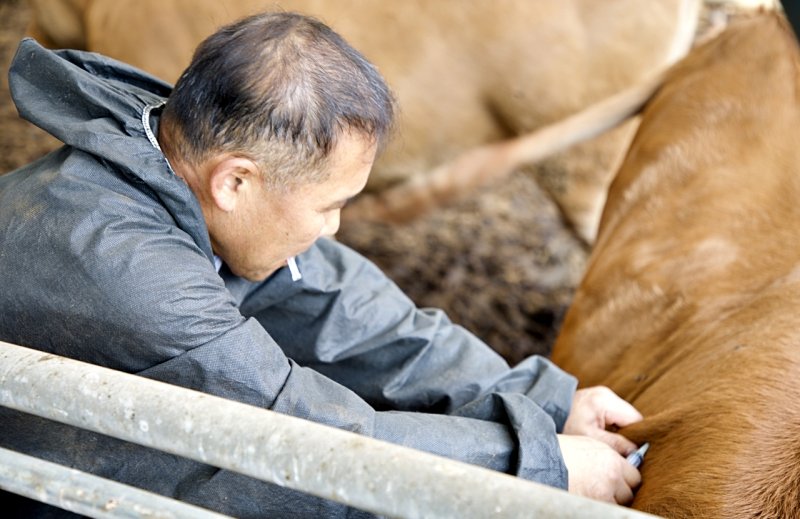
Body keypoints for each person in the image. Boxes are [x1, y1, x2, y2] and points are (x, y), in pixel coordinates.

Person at [0, 11, 643, 518]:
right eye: (327, 205)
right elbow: (299, 436)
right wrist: (539, 465)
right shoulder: (128, 270)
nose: (332, 228)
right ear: (236, 183)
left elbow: (336, 300)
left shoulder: (162, 154)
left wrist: (543, 402)